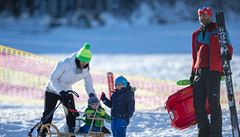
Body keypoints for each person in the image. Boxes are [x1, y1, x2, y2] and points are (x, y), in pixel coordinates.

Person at [37, 43, 97, 137]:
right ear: (78, 58)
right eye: (82, 61)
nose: (83, 64)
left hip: (67, 91)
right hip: (52, 89)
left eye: (86, 62)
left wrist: (92, 94)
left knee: (72, 113)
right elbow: (52, 78)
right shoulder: (66, 63)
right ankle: (41, 133)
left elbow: (88, 83)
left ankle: (71, 133)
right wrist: (61, 92)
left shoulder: (85, 70)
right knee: (48, 115)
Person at [190, 6, 233, 137]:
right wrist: (193, 72)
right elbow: (194, 55)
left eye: (206, 15)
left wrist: (227, 57)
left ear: (210, 16)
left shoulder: (219, 30)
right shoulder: (195, 34)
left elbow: (228, 47)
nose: (203, 18)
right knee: (198, 104)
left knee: (214, 104)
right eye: (201, 16)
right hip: (199, 71)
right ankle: (203, 132)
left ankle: (215, 134)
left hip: (213, 71)